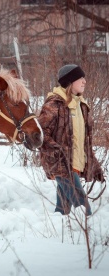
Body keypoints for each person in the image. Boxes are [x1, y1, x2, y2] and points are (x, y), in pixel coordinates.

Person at [38, 64, 105, 216]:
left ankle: (61, 236)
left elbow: (83, 142)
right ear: (70, 81)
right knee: (83, 209)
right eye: (80, 78)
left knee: (63, 211)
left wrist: (94, 165)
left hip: (73, 164)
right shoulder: (54, 105)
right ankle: (89, 237)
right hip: (60, 164)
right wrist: (57, 152)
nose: (84, 81)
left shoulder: (81, 105)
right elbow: (40, 135)